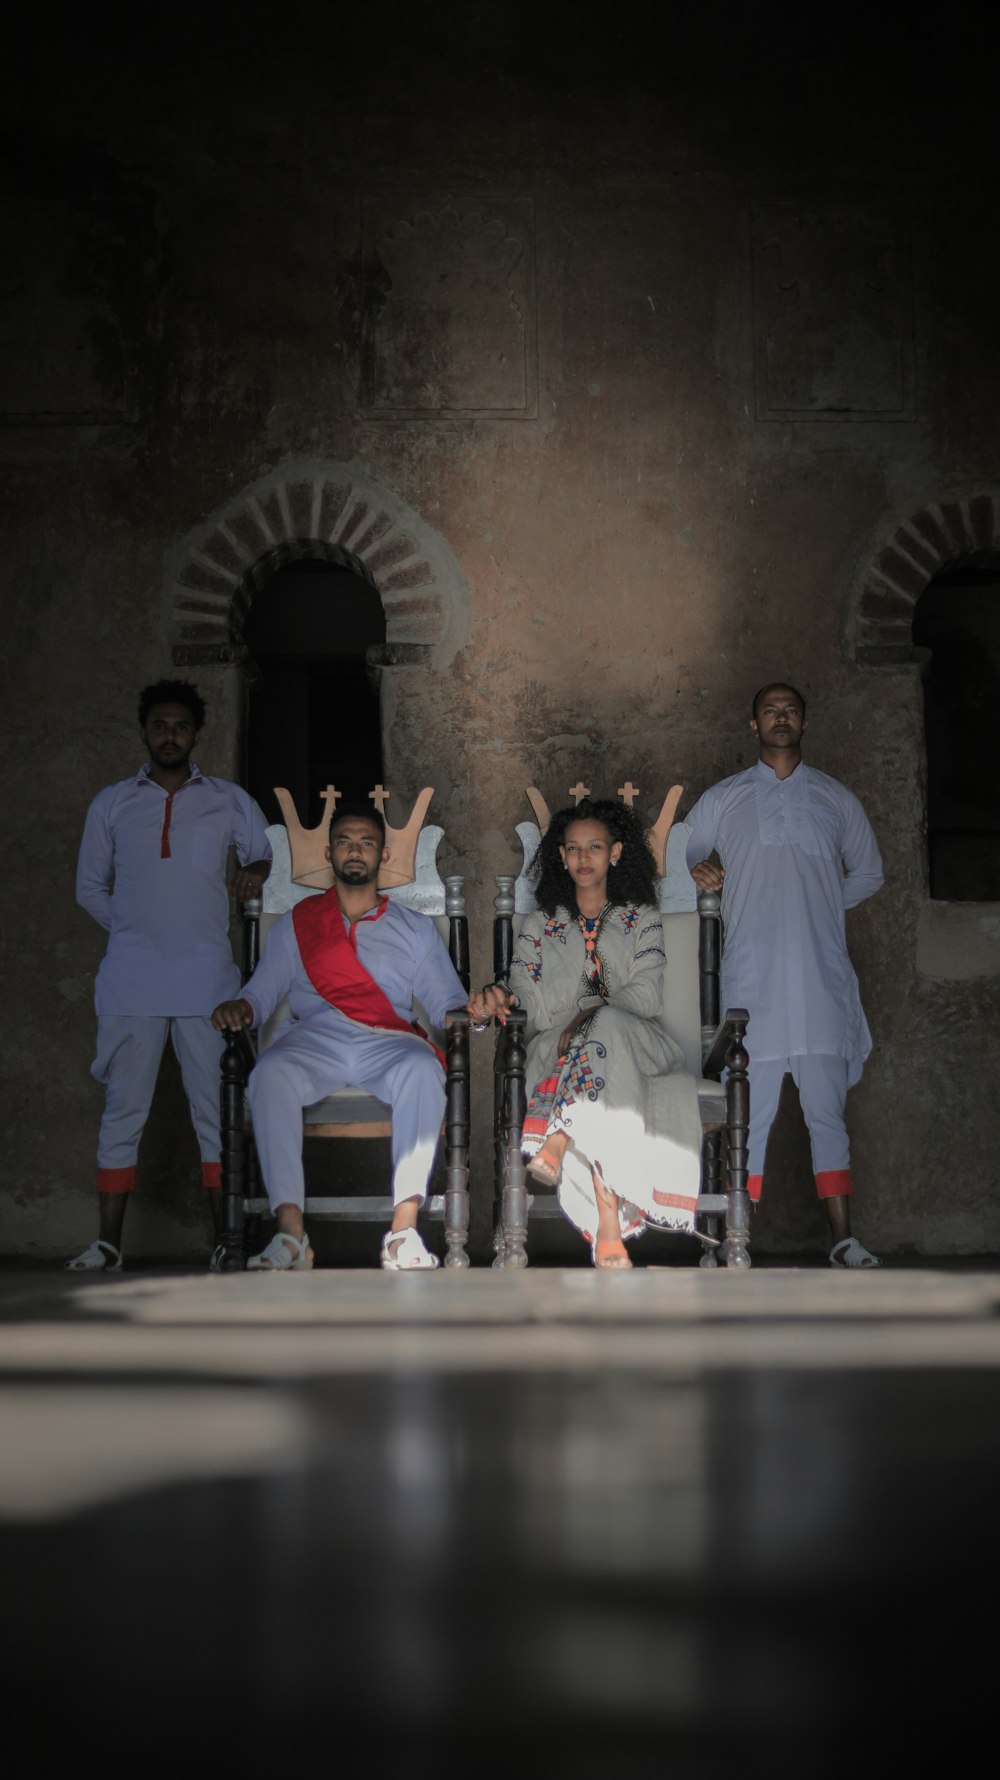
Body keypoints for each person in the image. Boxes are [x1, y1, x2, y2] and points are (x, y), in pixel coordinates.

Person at [212, 803, 472, 1272]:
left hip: (387, 1040)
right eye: (346, 842)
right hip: (315, 1037)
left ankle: (402, 1230)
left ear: (382, 854)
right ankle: (291, 1235)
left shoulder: (413, 928)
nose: (356, 850)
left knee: (421, 1068)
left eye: (366, 842)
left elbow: (445, 1004)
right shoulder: (297, 922)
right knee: (270, 1073)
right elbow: (261, 994)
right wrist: (242, 1007)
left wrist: (470, 1013)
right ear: (330, 853)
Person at [69, 680, 272, 1271]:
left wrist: (255, 870)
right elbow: (89, 888)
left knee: (215, 1111)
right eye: (159, 725)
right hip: (129, 980)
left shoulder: (227, 798)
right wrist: (135, 928)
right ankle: (108, 1244)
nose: (169, 735)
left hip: (207, 980)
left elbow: (265, 853)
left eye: (180, 726)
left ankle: (223, 1242)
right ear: (144, 731)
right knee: (122, 1112)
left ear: (195, 733)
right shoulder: (111, 803)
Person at [685, 683, 884, 1268]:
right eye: (770, 710)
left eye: (790, 710)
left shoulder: (834, 798)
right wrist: (702, 872)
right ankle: (734, 1241)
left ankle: (843, 1239)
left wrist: (815, 902)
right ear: (753, 725)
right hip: (754, 984)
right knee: (751, 1114)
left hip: (821, 980)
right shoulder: (723, 799)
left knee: (828, 1114)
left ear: (804, 721)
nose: (780, 717)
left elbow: (868, 874)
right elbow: (686, 860)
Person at [469, 800, 702, 1269]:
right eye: (573, 849)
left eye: (594, 847)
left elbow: (647, 995)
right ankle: (609, 1228)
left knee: (609, 1026)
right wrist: (499, 999)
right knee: (600, 1070)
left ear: (615, 852)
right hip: (557, 1048)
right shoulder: (540, 926)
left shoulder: (643, 919)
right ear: (560, 856)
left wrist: (589, 1016)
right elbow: (524, 997)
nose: (583, 858)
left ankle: (555, 1135)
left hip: (639, 1042)